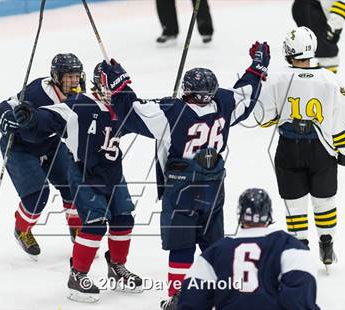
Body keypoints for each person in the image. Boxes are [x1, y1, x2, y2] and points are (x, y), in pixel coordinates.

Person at [98, 41, 270, 308]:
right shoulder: (224, 103)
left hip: (181, 190)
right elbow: (246, 93)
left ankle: (177, 299)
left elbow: (131, 110)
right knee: (214, 245)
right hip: (214, 187)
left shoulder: (170, 112)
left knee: (181, 246)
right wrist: (258, 66)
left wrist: (119, 82)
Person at [12, 63, 143, 303]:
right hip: (85, 173)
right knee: (94, 224)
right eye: (116, 87)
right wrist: (31, 117)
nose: (120, 93)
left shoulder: (123, 107)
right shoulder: (80, 105)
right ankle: (77, 274)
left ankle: (117, 267)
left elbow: (148, 114)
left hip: (114, 173)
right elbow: (49, 116)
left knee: (124, 218)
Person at [253, 26, 345, 269]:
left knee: (295, 202)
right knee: (325, 200)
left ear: (289, 51)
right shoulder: (331, 79)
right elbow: (341, 122)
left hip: (289, 149)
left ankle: (299, 247)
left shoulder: (278, 78)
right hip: (321, 151)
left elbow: (263, 118)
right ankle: (326, 240)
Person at [0, 53, 85, 259]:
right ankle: (22, 229)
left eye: (76, 76)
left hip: (50, 144)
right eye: (68, 76)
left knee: (72, 184)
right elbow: (2, 109)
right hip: (20, 147)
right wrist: (6, 119)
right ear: (56, 77)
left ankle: (76, 227)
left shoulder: (80, 96)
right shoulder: (37, 91)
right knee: (37, 196)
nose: (74, 81)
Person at [177, 188, 319, 310]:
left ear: (240, 215)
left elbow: (191, 300)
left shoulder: (216, 251)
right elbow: (300, 296)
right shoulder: (289, 246)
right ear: (268, 214)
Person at [292, 0, 345, 73]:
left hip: (308, 7)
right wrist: (333, 31)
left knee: (313, 51)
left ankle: (309, 80)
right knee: (327, 52)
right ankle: (326, 83)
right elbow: (341, 8)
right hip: (311, 7)